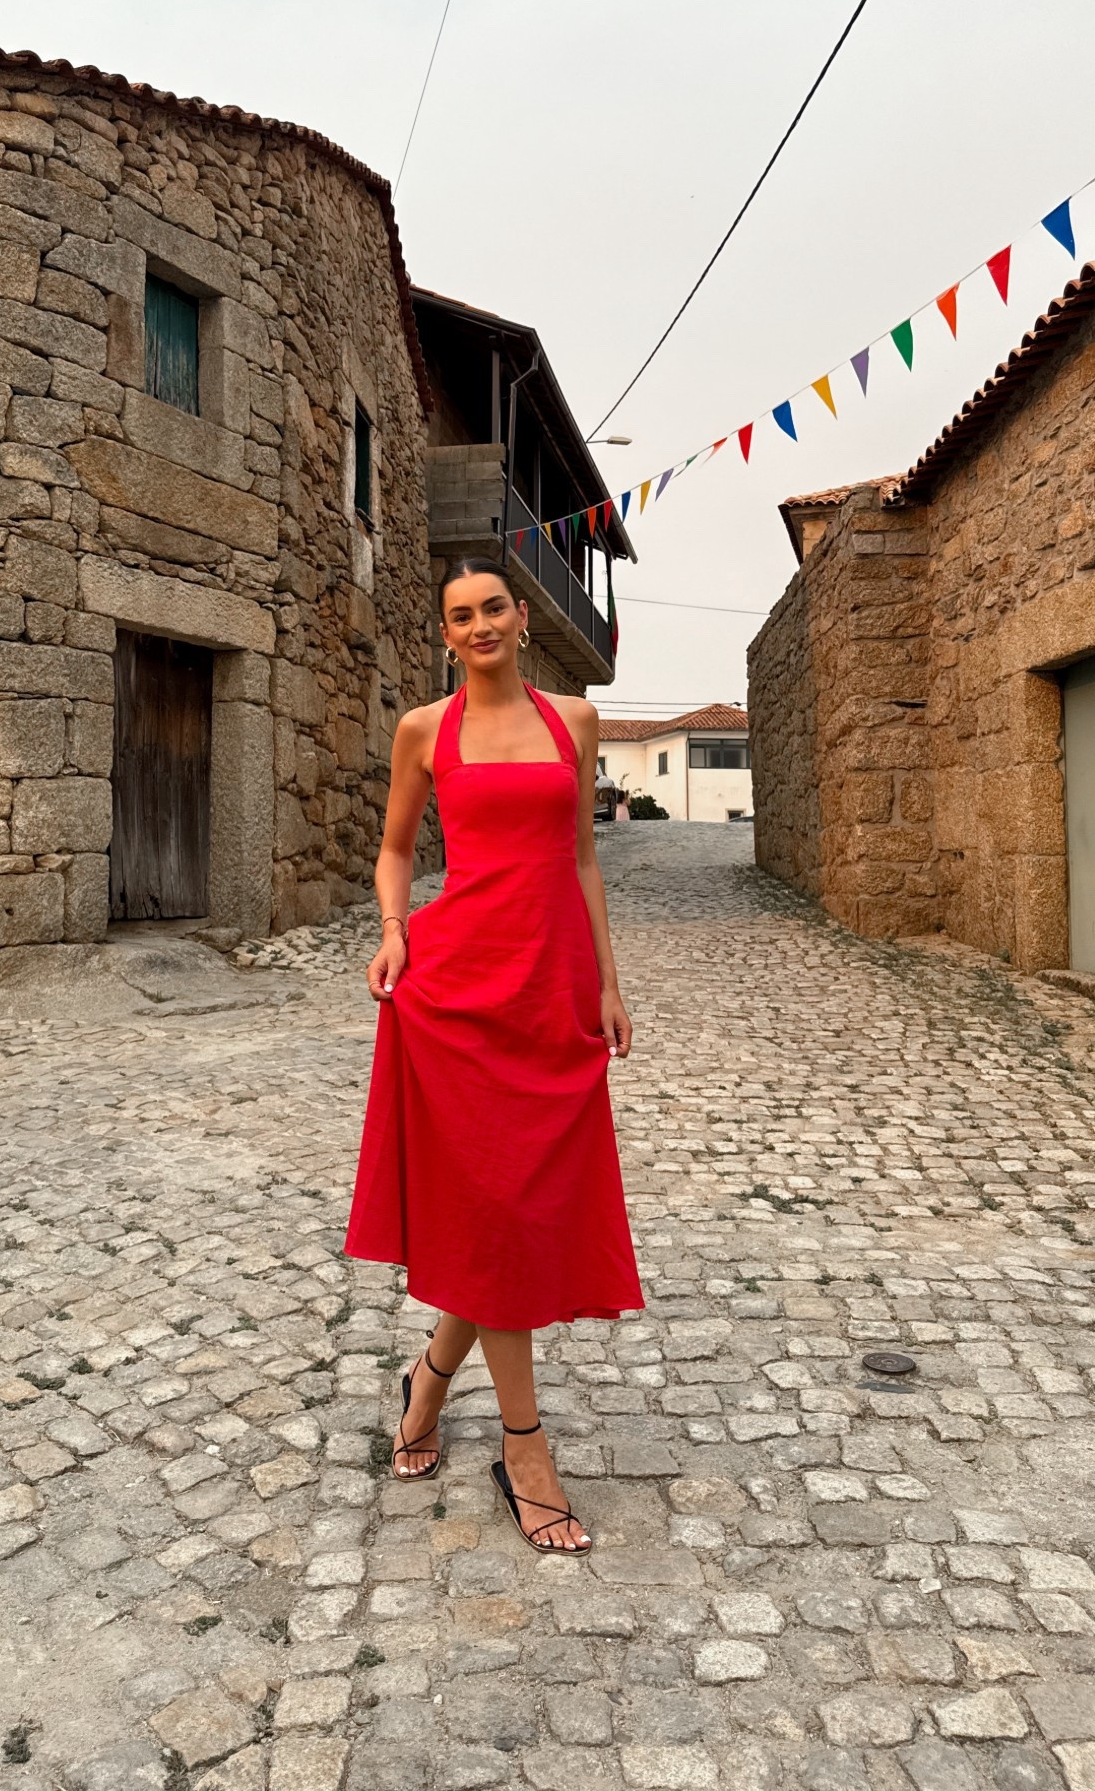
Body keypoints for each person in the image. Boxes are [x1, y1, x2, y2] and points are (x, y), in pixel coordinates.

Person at [343, 557, 643, 1553]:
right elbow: (394, 850)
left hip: (548, 987)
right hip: (457, 991)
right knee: (496, 1211)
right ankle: (525, 1448)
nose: (478, 625)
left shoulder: (575, 721)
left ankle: (427, 1381)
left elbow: (583, 857)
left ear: (519, 617)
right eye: (459, 615)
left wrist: (606, 980)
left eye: (492, 609)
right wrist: (393, 927)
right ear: (448, 631)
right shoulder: (424, 729)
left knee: (513, 1209)